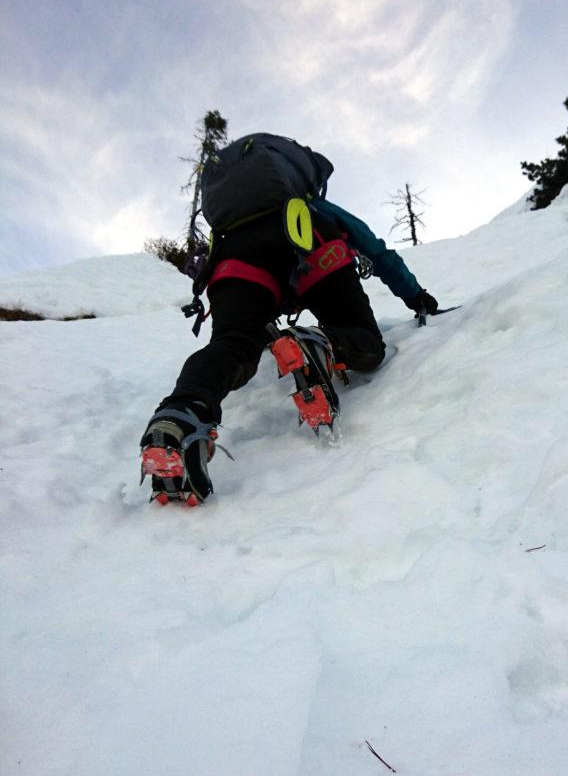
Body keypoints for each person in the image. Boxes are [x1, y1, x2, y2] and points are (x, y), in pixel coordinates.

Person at [140, 144, 440, 505]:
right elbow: (377, 251)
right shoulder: (315, 206)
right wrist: (416, 297)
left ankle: (181, 416)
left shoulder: (231, 225)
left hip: (233, 261)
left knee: (233, 344)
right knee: (365, 343)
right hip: (311, 240)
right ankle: (321, 345)